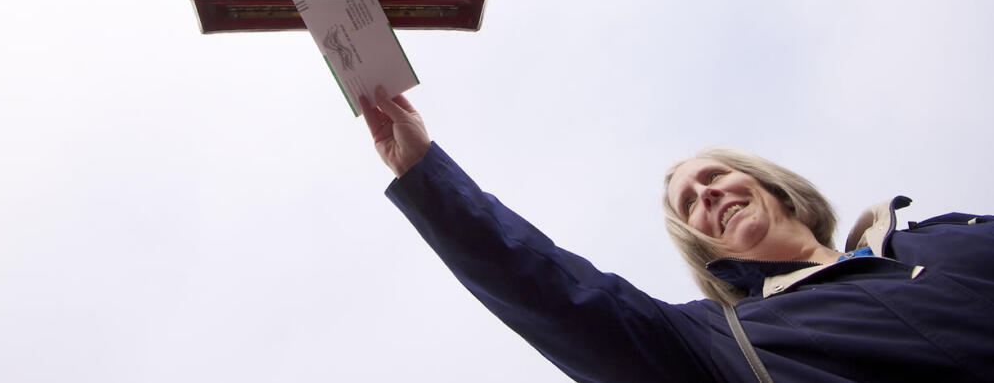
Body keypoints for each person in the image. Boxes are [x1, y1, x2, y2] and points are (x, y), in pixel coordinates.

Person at [361, 92, 994, 383]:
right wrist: (426, 176)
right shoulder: (717, 344)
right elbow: (553, 292)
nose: (707, 195)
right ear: (705, 249)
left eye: (714, 178)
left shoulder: (938, 237)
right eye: (689, 204)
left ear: (770, 185)